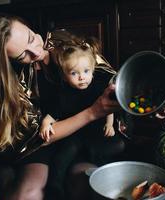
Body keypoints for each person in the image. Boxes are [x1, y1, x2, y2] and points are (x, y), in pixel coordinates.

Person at [0, 13, 165, 200]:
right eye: (23, 55)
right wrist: (94, 111)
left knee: (86, 187)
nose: (36, 52)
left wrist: (153, 98)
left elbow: (112, 81)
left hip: (85, 136)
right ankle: (5, 175)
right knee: (26, 195)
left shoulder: (64, 41)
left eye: (32, 38)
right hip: (38, 143)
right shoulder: (8, 83)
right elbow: (40, 137)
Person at [37, 31, 124, 199]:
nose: (81, 78)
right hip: (75, 135)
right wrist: (45, 124)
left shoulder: (99, 88)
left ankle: (96, 165)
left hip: (95, 132)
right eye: (74, 73)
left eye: (86, 71)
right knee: (65, 153)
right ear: (64, 75)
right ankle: (55, 184)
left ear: (92, 70)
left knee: (118, 145)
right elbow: (52, 114)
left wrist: (109, 124)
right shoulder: (63, 94)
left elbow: (109, 109)